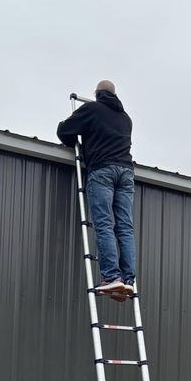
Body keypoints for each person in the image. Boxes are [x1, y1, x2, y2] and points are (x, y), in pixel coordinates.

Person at [57, 80, 136, 300]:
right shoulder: (125, 118)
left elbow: (64, 130)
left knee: (103, 223)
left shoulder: (92, 109)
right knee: (125, 228)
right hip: (127, 173)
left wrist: (79, 145)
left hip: (103, 170)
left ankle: (112, 277)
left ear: (97, 93)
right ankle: (128, 279)